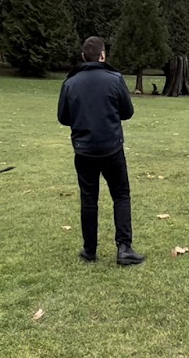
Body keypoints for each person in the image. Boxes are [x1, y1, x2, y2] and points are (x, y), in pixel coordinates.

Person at [57, 36, 144, 266]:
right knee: (121, 195)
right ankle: (124, 247)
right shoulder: (114, 79)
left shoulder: (70, 83)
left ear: (84, 57)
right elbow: (127, 111)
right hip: (111, 148)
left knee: (89, 198)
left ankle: (90, 249)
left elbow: (63, 117)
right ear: (103, 55)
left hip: (84, 150)